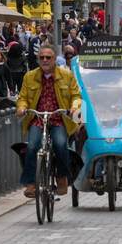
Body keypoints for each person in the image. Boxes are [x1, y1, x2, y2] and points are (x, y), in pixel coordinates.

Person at [17, 46, 83, 198]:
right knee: (32, 146)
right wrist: (22, 108)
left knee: (60, 144)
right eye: (42, 57)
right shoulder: (30, 76)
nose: (45, 60)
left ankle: (61, 178)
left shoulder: (67, 75)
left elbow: (77, 96)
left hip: (60, 119)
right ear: (38, 60)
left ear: (54, 59)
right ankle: (31, 184)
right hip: (38, 118)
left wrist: (74, 108)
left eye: (48, 57)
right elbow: (22, 98)